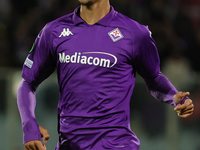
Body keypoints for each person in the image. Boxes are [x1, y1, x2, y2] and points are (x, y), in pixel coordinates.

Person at [17, 0, 194, 150]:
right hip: (69, 144)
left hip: (117, 144)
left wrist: (174, 96)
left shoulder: (135, 34)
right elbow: (27, 83)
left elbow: (154, 78)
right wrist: (29, 126)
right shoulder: (53, 31)